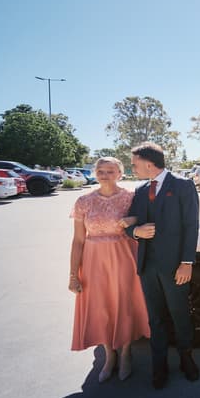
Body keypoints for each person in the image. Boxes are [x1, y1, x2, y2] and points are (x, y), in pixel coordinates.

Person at [125, 142, 200, 389]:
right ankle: (160, 367)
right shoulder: (140, 189)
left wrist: (187, 262)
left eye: (135, 164)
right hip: (147, 267)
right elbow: (130, 223)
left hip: (175, 266)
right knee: (155, 319)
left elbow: (191, 225)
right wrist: (136, 231)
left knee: (179, 315)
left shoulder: (182, 185)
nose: (133, 168)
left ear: (148, 163)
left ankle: (187, 359)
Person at [69, 157, 150, 382]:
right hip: (93, 260)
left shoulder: (130, 197)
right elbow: (77, 240)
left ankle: (125, 354)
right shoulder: (83, 201)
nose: (105, 174)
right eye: (101, 170)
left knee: (122, 303)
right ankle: (109, 354)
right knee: (100, 306)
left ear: (120, 174)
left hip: (123, 256)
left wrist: (133, 218)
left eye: (110, 171)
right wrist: (73, 275)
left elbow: (147, 218)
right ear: (95, 173)